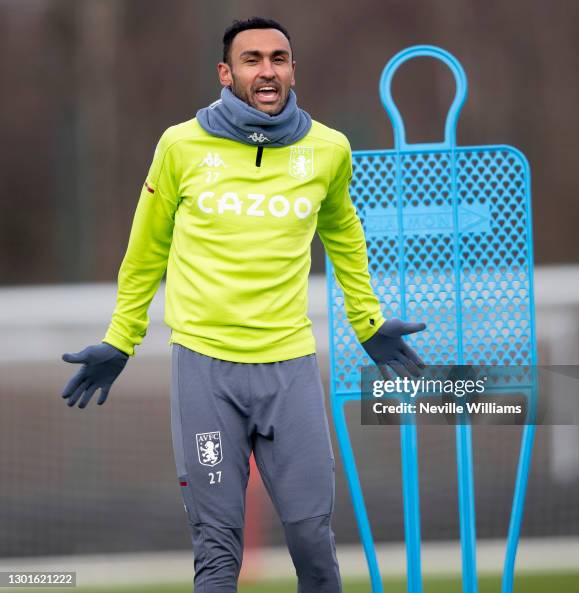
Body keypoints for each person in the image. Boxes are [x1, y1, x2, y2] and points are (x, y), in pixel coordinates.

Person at [61, 17, 425, 593]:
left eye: (278, 58)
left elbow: (344, 235)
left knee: (312, 543)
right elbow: (144, 252)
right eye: (252, 59)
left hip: (290, 370)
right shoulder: (179, 146)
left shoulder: (329, 149)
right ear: (226, 73)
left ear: (292, 70)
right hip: (205, 372)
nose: (267, 70)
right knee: (217, 550)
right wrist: (121, 337)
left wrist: (367, 320)